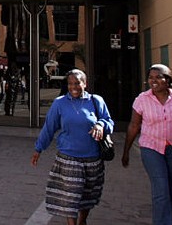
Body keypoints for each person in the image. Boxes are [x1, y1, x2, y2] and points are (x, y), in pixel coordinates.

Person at [31, 69, 114, 225]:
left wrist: (101, 125)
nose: (73, 87)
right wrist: (38, 148)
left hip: (92, 158)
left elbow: (109, 122)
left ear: (85, 83)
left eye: (77, 83)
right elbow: (49, 127)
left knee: (87, 196)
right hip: (68, 157)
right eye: (70, 84)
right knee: (71, 196)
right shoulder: (59, 103)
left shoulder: (96, 101)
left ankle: (82, 221)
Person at [121, 63, 172, 225]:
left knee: (171, 191)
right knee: (161, 190)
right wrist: (126, 151)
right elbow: (134, 125)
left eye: (158, 77)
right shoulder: (142, 99)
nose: (153, 81)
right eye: (150, 77)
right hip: (151, 148)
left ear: (167, 80)